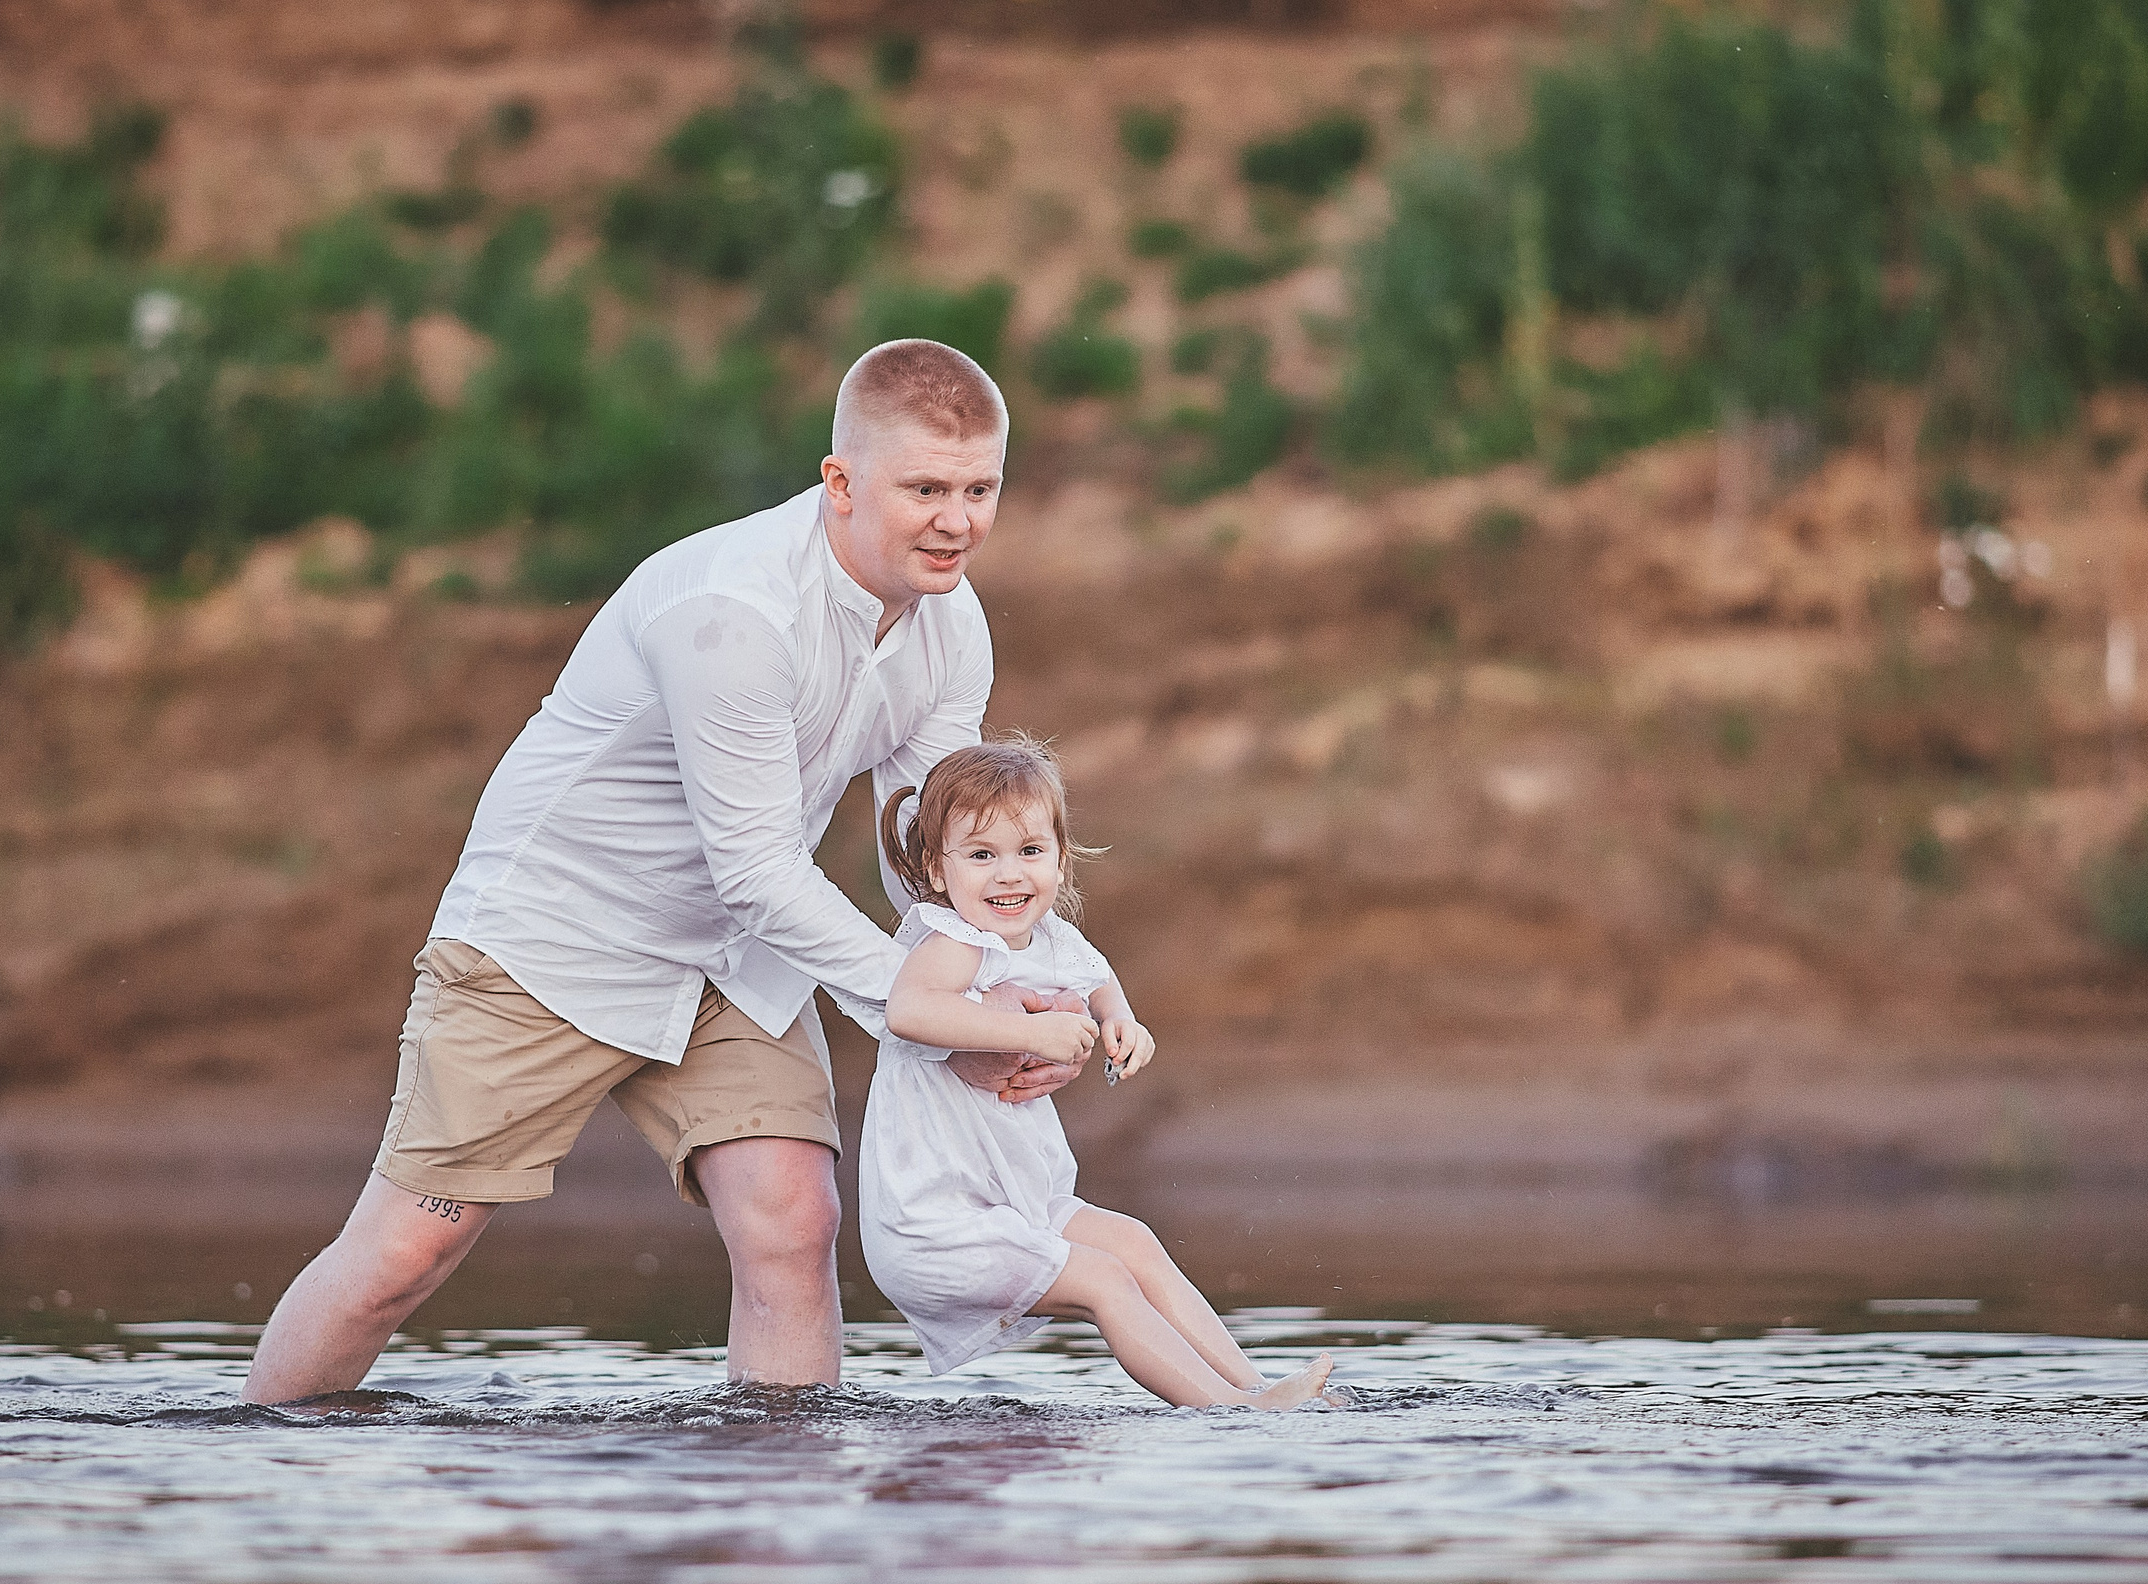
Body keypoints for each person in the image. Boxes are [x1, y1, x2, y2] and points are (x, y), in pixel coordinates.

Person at [241, 341, 1082, 1405]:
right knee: (407, 1255)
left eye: (979, 490)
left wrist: (1004, 993)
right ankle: (253, 1462)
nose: (956, 522)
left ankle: (777, 1498)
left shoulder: (952, 624)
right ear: (841, 481)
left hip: (735, 960)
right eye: (924, 490)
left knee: (795, 1223)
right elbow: (757, 868)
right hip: (553, 941)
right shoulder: (734, 611)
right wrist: (937, 1017)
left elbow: (930, 848)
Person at [864, 738, 1337, 1408]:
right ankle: (1231, 1410)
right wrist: (1030, 1032)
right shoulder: (953, 944)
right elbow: (909, 1011)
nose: (1008, 875)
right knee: (1103, 1280)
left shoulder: (1056, 941)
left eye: (1030, 851)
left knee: (1132, 1244)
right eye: (981, 855)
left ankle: (1256, 1386)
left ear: (1061, 858)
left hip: (1017, 1205)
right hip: (936, 1224)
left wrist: (1124, 1025)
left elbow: (1102, 986)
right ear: (938, 872)